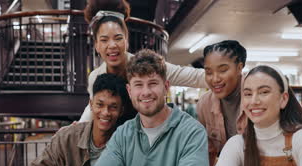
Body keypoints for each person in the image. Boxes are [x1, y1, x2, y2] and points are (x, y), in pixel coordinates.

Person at [197, 40, 302, 166]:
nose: (215, 78)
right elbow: (207, 151)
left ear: (239, 67)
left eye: (223, 70)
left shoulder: (263, 92)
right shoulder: (204, 104)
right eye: (208, 72)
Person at [85, 49, 209, 166]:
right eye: (138, 85)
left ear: (166, 87)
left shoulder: (192, 132)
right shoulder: (123, 134)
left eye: (152, 83)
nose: (145, 92)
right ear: (129, 91)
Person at [79, 0, 207, 123]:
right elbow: (93, 106)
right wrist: (78, 127)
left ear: (126, 40)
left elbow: (195, 77)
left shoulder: (150, 66)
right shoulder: (95, 77)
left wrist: (222, 75)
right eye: (104, 40)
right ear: (96, 45)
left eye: (118, 38)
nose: (112, 45)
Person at [27, 74, 128, 166]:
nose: (105, 113)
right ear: (91, 104)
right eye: (100, 105)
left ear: (121, 110)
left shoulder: (127, 143)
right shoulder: (67, 136)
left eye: (113, 107)